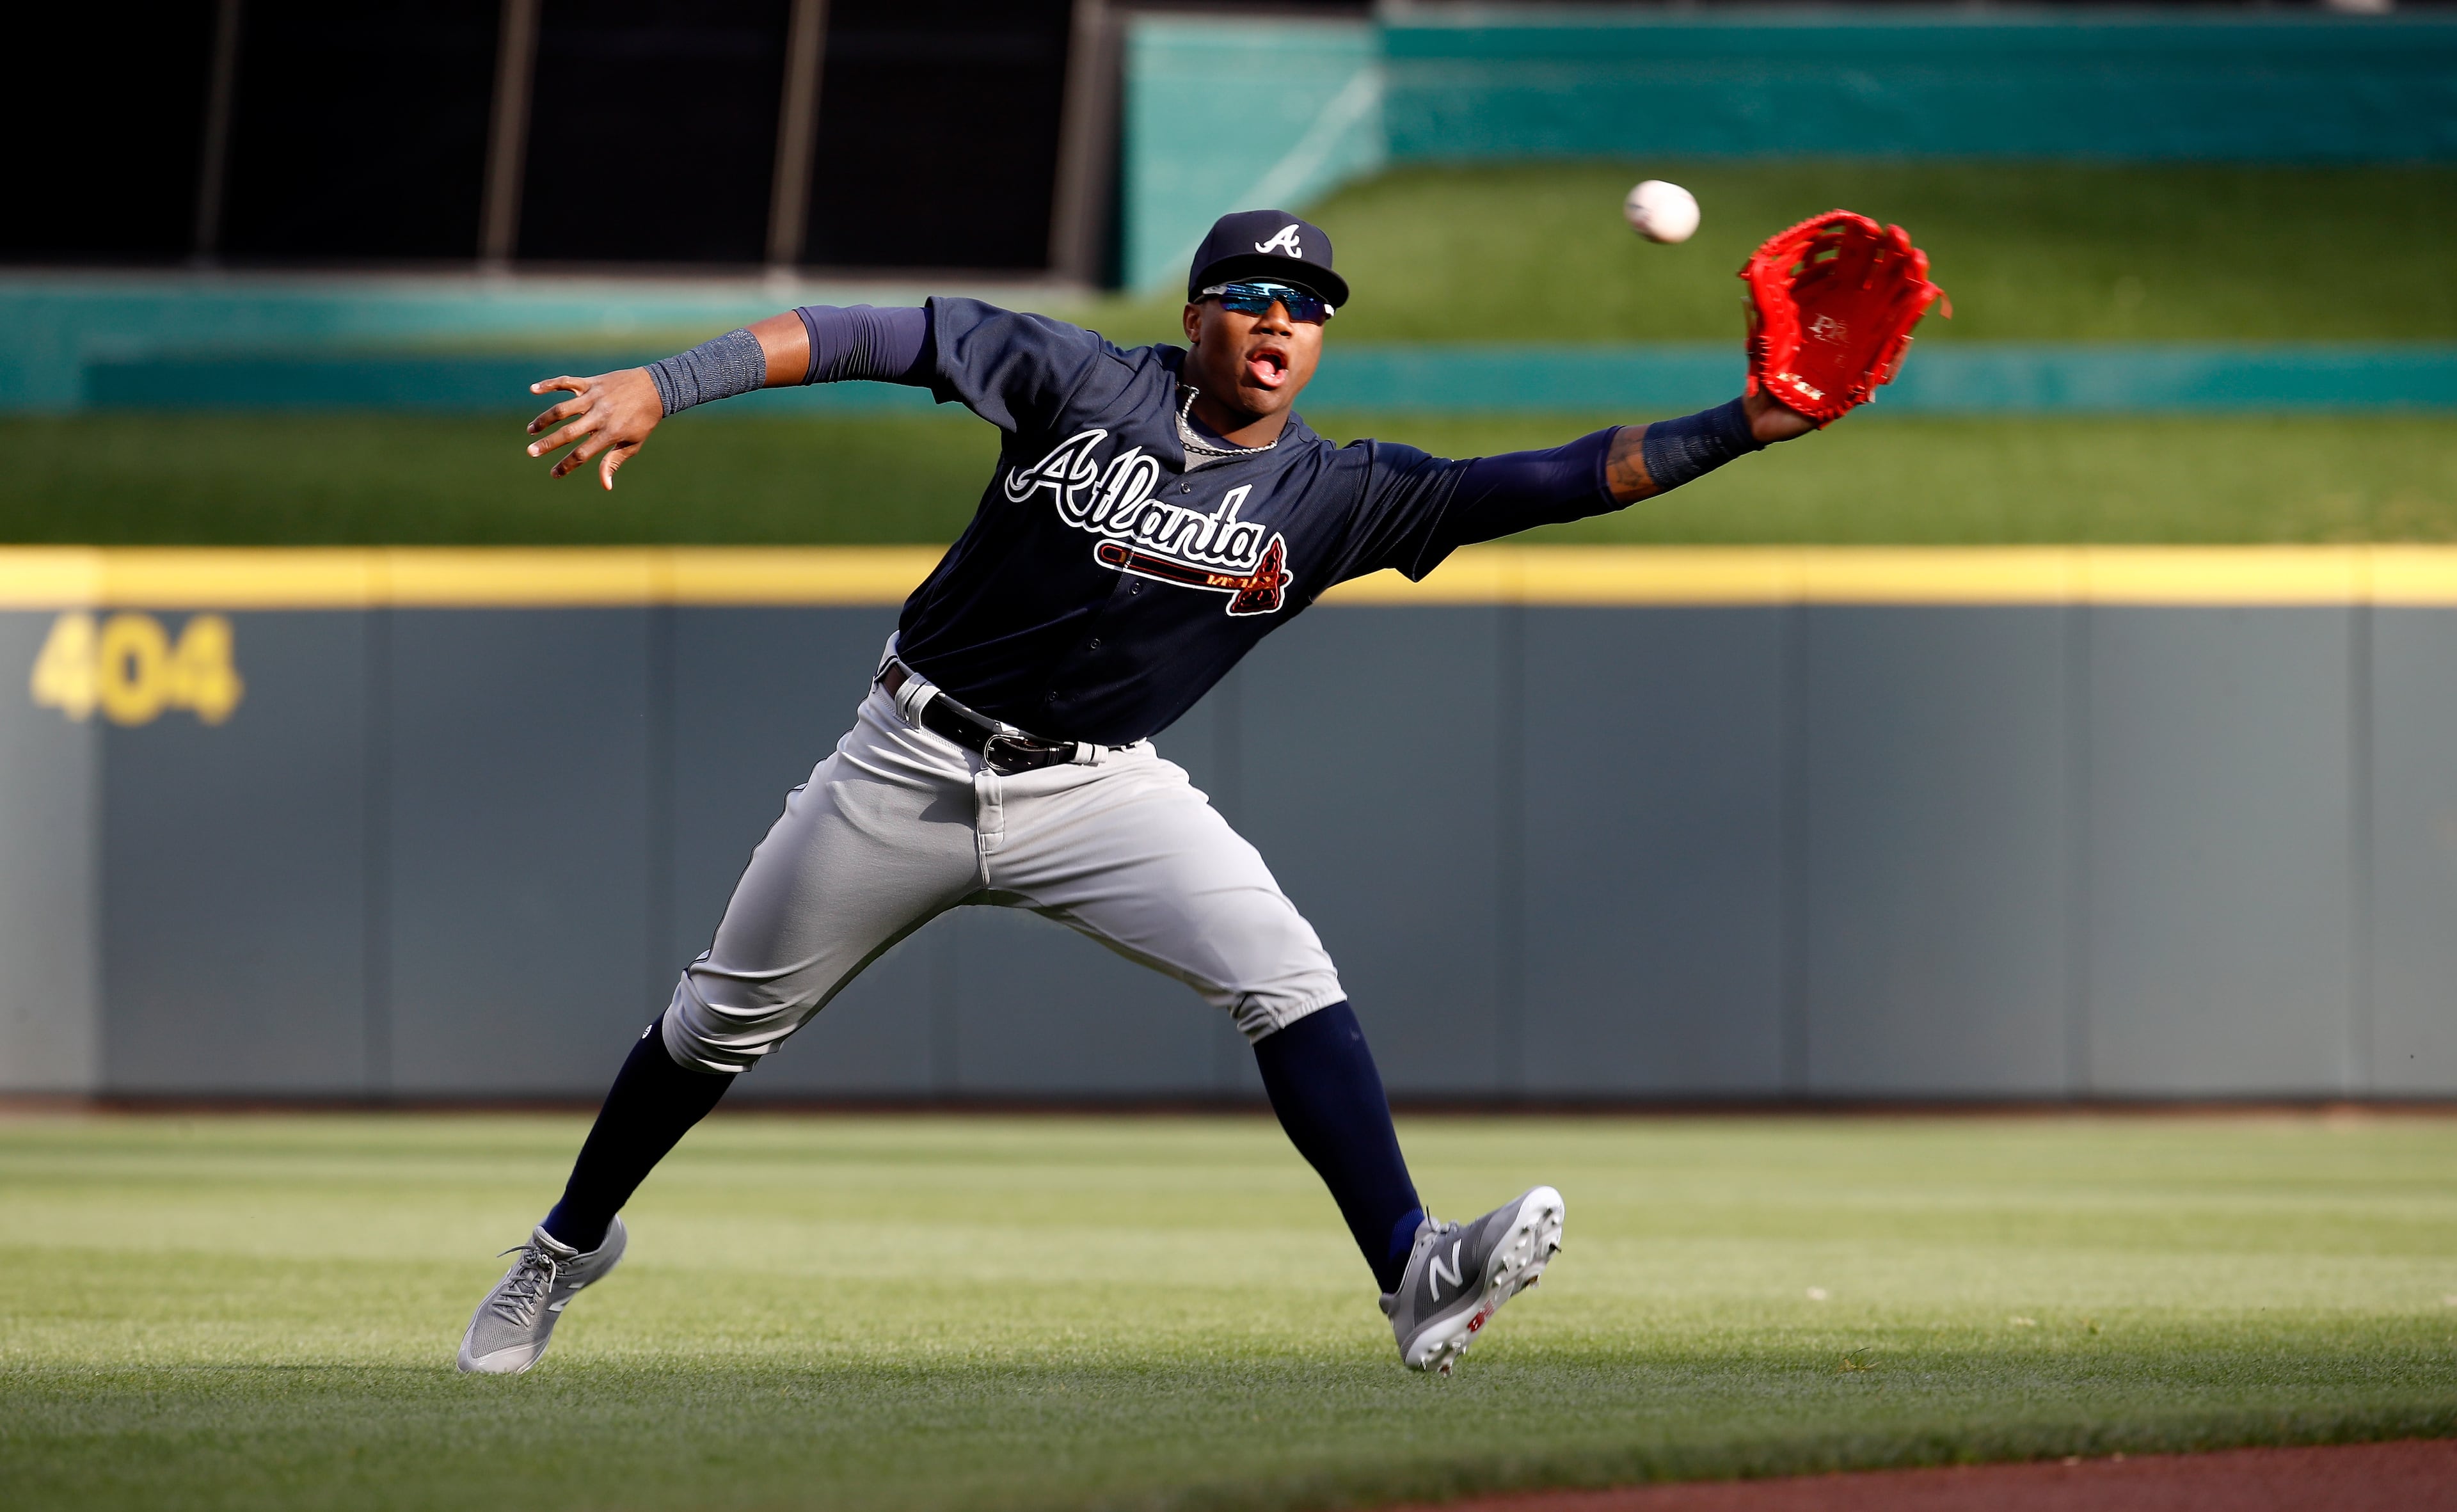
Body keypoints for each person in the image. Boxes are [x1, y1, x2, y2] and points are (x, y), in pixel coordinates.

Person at [456, 209, 1817, 1379]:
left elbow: (1556, 481)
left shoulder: (1338, 497)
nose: (1280, 322)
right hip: (909, 760)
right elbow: (875, 333)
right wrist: (669, 382)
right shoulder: (1077, 378)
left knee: (1286, 976)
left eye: (1308, 308)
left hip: (1102, 794)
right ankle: (561, 1250)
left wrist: (1744, 425)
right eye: (1254, 298)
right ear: (1198, 316)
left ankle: (1415, 1271)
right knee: (714, 1025)